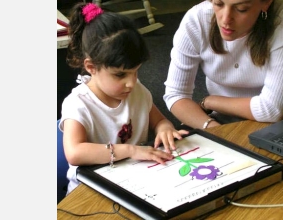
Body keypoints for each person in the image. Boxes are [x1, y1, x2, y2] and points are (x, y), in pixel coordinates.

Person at [58, 2, 189, 195]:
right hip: (91, 191)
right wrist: (130, 150)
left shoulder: (135, 91)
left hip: (136, 180)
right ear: (91, 67)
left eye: (136, 71)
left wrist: (165, 129)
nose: (131, 82)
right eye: (120, 75)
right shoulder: (77, 104)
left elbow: (159, 120)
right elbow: (75, 153)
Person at [163, 0, 283, 130]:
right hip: (222, 117)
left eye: (241, 9)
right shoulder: (197, 19)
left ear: (266, 3)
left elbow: (271, 109)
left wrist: (210, 102)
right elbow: (176, 94)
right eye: (218, 4)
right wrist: (215, 129)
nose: (226, 20)